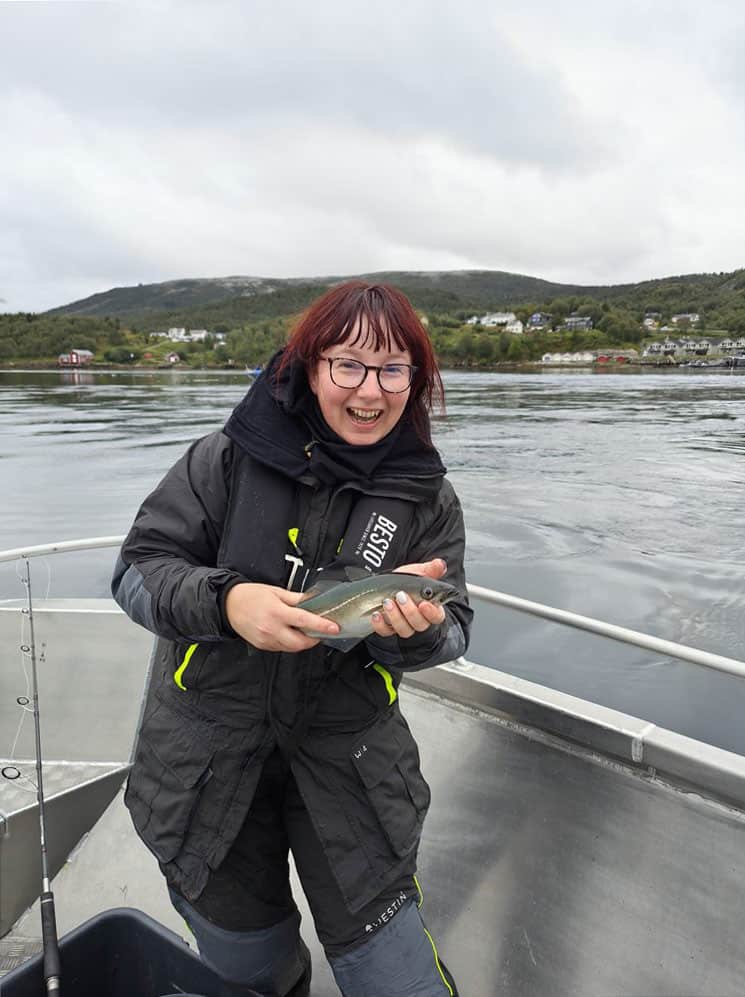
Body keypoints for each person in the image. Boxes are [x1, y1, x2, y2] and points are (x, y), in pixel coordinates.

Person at [112, 281, 472, 997]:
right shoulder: (220, 460)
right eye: (348, 365)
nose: (371, 390)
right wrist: (228, 601)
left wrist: (410, 635)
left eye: (393, 368)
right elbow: (135, 572)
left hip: (352, 771)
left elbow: (455, 626)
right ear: (308, 367)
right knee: (253, 972)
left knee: (400, 980)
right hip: (205, 770)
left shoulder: (428, 498)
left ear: (416, 380)